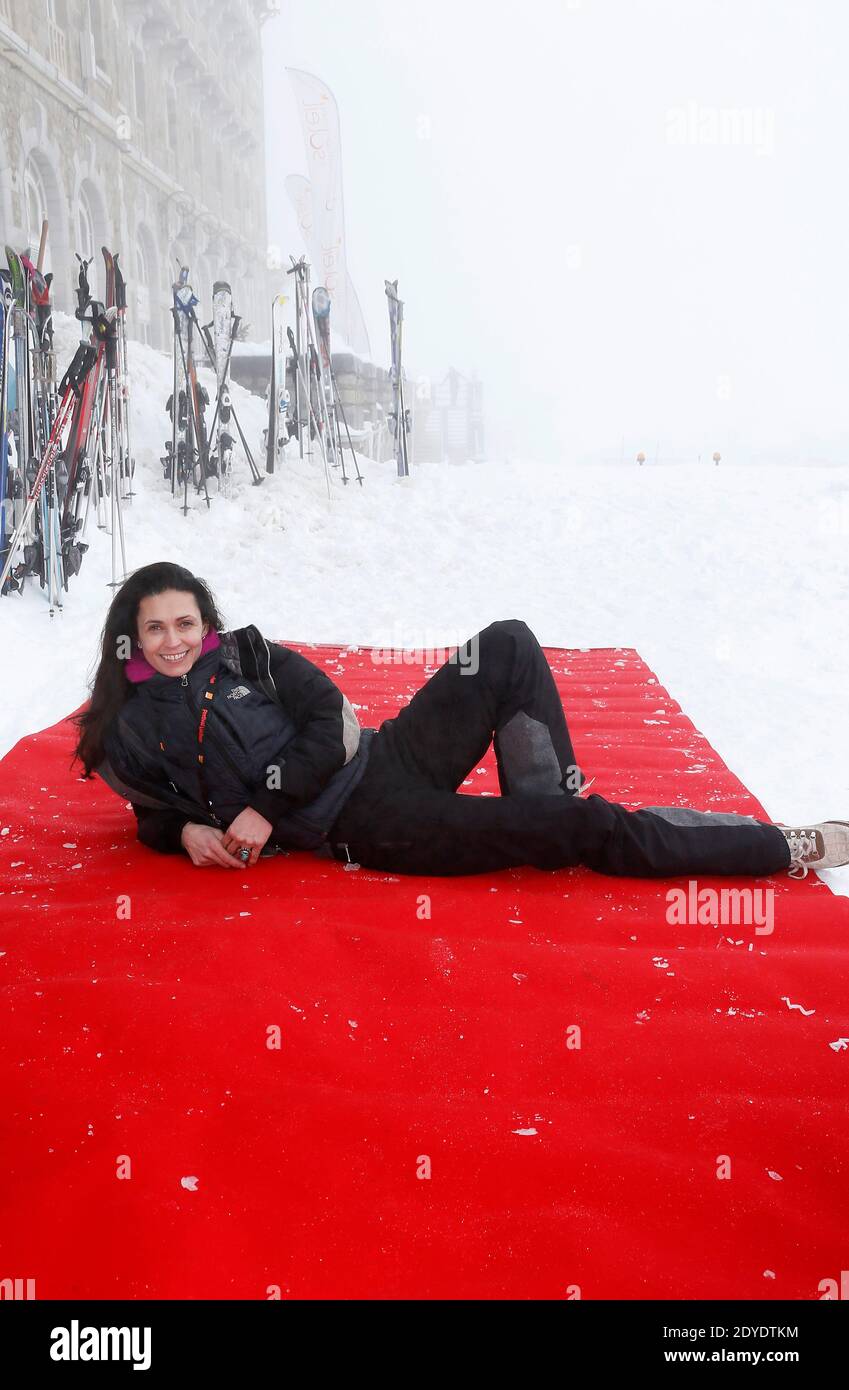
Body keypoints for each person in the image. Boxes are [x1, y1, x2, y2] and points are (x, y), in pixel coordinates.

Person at [73, 561, 848, 881]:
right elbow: (149, 813)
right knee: (579, 833)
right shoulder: (128, 730)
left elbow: (332, 722)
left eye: (185, 623)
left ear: (205, 623)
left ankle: (551, 809)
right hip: (370, 824)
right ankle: (782, 846)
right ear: (130, 638)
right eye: (156, 629)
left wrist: (260, 805)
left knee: (503, 644)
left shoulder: (246, 655)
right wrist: (183, 834)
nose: (173, 641)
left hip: (382, 754)